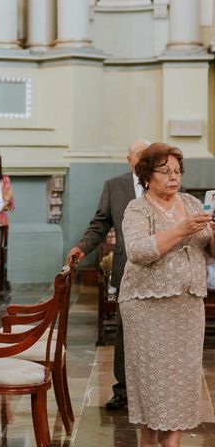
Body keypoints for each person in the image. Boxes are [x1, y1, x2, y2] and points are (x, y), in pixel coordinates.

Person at [119, 143, 214, 447]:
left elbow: (210, 250)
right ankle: (149, 440)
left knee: (182, 379)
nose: (174, 177)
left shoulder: (191, 202)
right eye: (165, 171)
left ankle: (172, 441)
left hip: (187, 305)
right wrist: (182, 229)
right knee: (153, 382)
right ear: (147, 176)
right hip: (146, 307)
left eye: (177, 171)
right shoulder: (138, 208)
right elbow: (138, 251)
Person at [67, 138, 150, 410]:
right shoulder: (115, 186)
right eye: (139, 155)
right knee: (125, 331)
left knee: (157, 333)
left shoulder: (165, 185)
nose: (144, 160)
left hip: (161, 268)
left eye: (148, 155)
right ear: (129, 160)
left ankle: (153, 391)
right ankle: (123, 390)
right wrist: (81, 247)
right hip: (126, 268)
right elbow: (100, 224)